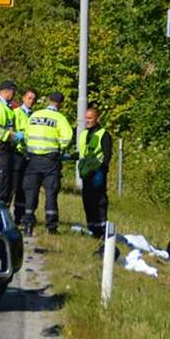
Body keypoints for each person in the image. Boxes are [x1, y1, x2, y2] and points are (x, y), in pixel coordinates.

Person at [22, 92, 73, 236]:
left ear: (49, 100)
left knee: (31, 193)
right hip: (50, 161)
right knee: (51, 193)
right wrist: (61, 149)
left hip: (32, 160)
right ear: (60, 104)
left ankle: (28, 226)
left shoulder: (35, 115)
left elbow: (26, 135)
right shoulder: (60, 118)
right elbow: (67, 137)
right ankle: (51, 227)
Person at [77, 106, 112, 238]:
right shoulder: (84, 134)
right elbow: (82, 152)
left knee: (99, 201)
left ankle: (102, 229)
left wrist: (102, 171)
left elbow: (107, 155)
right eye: (86, 118)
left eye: (90, 118)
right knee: (87, 201)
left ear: (97, 118)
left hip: (98, 172)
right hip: (86, 173)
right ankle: (92, 228)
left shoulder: (104, 134)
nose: (87, 120)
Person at [11, 88, 37, 224]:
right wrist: (16, 136)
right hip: (17, 154)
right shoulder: (16, 113)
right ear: (23, 98)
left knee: (24, 188)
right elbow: (10, 131)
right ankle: (9, 216)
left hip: (29, 155)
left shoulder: (34, 116)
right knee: (14, 186)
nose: (31, 101)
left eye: (33, 99)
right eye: (29, 98)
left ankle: (19, 215)